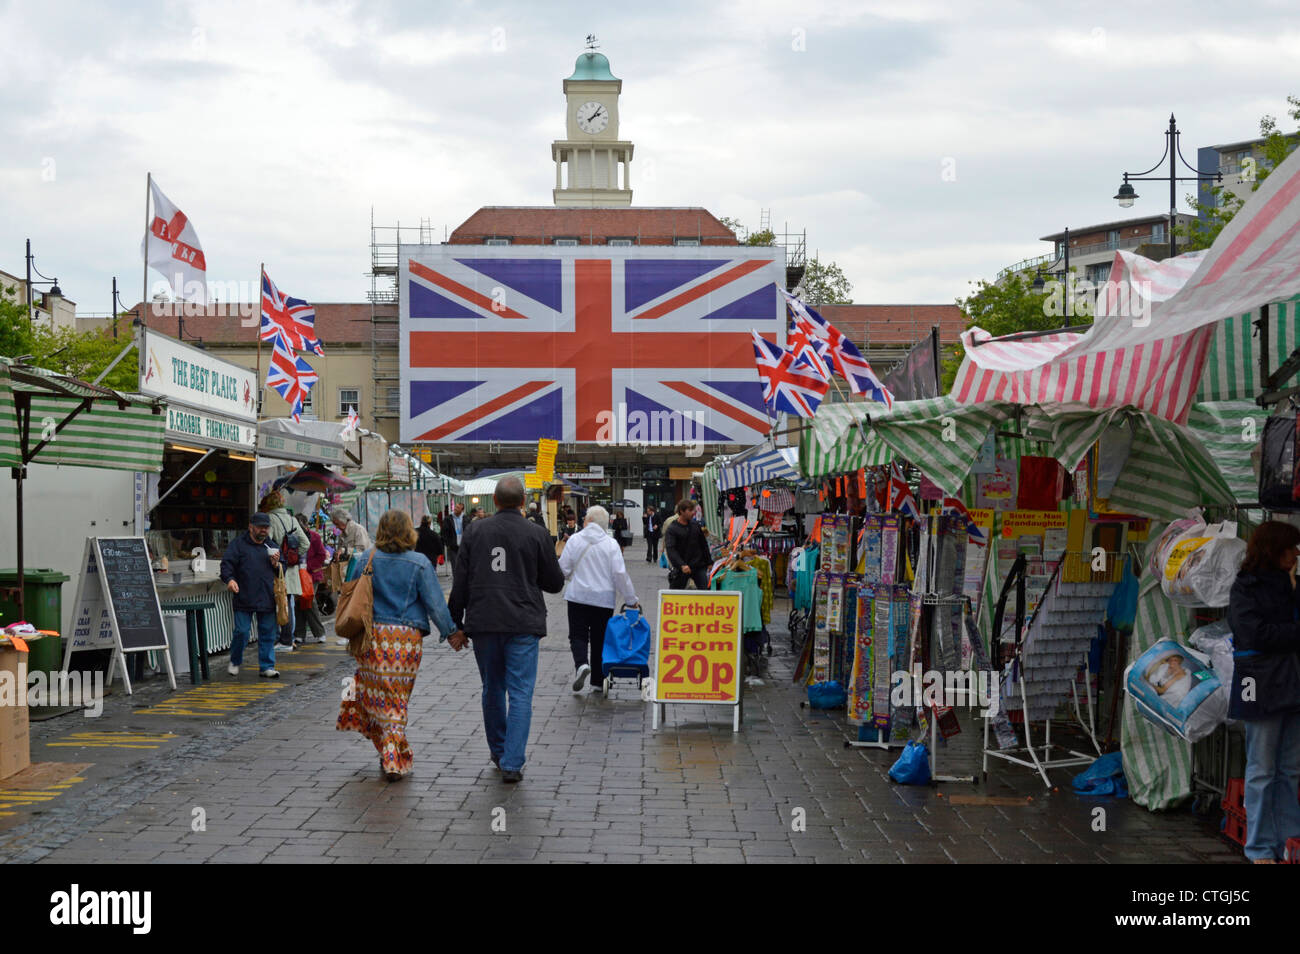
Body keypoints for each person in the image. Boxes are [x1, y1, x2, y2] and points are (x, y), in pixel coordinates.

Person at [448, 476, 564, 783]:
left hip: (484, 621)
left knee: (493, 688)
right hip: (523, 622)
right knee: (521, 692)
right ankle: (513, 762)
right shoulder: (537, 533)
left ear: (494, 502)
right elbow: (554, 583)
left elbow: (460, 581)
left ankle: (498, 751)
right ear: (524, 502)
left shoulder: (474, 531)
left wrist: (454, 624)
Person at [337, 509, 461, 782]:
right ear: (408, 531)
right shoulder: (418, 563)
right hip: (406, 641)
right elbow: (435, 603)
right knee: (396, 697)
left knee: (379, 695)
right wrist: (451, 632)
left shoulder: (365, 558)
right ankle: (393, 756)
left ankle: (387, 750)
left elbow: (349, 594)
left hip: (370, 636)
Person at [1227, 520, 1300, 863]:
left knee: (1289, 769)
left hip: (1292, 682)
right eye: (1291, 548)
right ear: (1274, 550)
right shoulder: (1246, 586)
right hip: (1258, 683)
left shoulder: (1293, 585)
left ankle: (1289, 843)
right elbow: (1255, 634)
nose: (1296, 554)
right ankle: (1258, 849)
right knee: (1261, 768)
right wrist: (1292, 633)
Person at [559, 505, 638, 694]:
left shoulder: (575, 540)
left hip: (578, 596)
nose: (583, 520)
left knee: (577, 635)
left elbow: (563, 569)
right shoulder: (611, 544)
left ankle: (581, 665)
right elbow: (620, 574)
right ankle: (597, 680)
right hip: (603, 600)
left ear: (590, 521)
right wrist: (630, 599)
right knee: (599, 639)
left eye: (585, 518)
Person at [219, 512, 282, 678]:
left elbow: (283, 569)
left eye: (266, 527)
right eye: (260, 527)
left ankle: (267, 666)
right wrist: (230, 580)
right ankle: (235, 660)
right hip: (243, 594)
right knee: (242, 631)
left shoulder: (271, 545)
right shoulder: (238, 544)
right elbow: (226, 564)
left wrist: (276, 564)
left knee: (268, 632)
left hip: (267, 595)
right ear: (251, 527)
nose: (263, 530)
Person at [260, 491, 311, 650]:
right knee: (288, 604)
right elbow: (305, 544)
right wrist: (292, 558)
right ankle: (289, 638)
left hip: (276, 570)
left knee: (278, 604)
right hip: (292, 569)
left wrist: (279, 559)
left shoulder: (270, 519)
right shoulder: (292, 519)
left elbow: (266, 543)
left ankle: (283, 640)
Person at [294, 512, 328, 643]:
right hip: (297, 573)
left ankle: (319, 632)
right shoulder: (293, 537)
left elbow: (321, 556)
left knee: (309, 599)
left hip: (312, 574)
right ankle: (299, 633)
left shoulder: (315, 537)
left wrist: (307, 566)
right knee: (299, 602)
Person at [664, 498, 711, 590]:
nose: (693, 512)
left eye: (693, 510)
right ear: (681, 511)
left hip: (698, 566)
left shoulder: (695, 525)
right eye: (690, 510)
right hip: (682, 568)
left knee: (706, 592)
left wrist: (709, 562)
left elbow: (703, 545)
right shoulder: (672, 529)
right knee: (675, 594)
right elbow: (671, 550)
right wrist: (681, 565)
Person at [331, 507, 371, 575]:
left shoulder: (358, 530)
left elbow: (362, 551)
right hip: (347, 569)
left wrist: (344, 550)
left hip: (360, 569)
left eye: (337, 524)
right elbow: (340, 549)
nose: (336, 527)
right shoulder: (342, 534)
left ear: (342, 521)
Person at [441, 502, 466, 569]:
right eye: (455, 507)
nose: (455, 509)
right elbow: (444, 532)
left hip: (463, 545)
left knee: (464, 564)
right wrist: (448, 544)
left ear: (462, 510)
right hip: (453, 546)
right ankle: (456, 579)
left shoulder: (466, 518)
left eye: (458, 508)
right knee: (455, 565)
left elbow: (469, 531)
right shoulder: (448, 519)